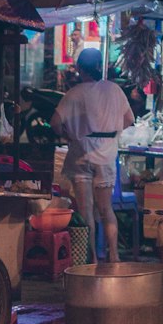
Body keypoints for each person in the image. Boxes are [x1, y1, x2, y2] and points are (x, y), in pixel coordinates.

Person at [51, 47, 134, 264]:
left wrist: (68, 135)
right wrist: (111, 133)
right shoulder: (114, 89)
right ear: (100, 66)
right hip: (106, 154)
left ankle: (92, 260)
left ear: (79, 68)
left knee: (86, 211)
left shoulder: (74, 93)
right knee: (106, 209)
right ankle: (114, 256)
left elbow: (55, 123)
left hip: (81, 154)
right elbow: (129, 119)